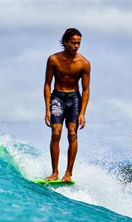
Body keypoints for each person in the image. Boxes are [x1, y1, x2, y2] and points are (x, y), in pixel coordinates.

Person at [44, 28, 91, 182]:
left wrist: (83, 112)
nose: (76, 46)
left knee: (72, 133)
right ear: (65, 42)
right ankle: (55, 172)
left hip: (74, 99)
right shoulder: (53, 60)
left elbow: (85, 90)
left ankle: (68, 173)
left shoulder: (84, 63)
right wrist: (47, 109)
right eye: (73, 43)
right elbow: (47, 84)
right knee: (56, 132)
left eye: (78, 43)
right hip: (57, 97)